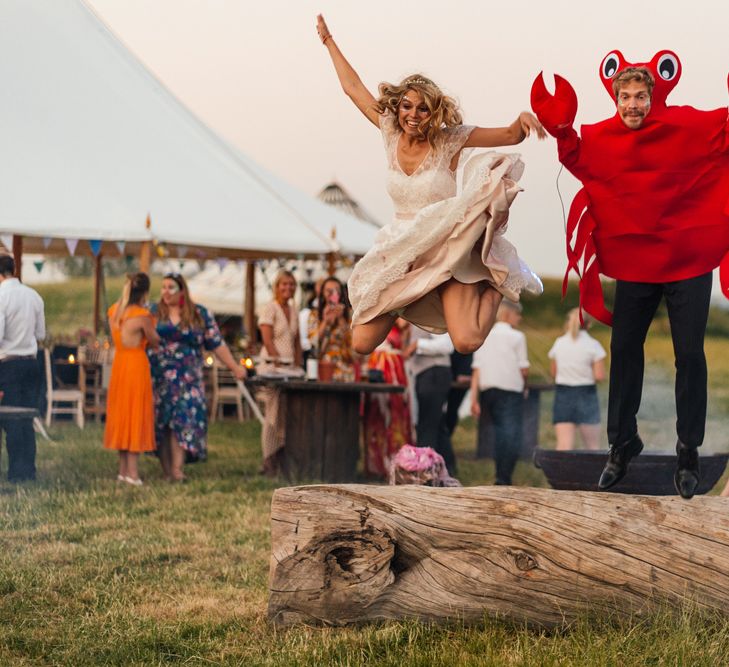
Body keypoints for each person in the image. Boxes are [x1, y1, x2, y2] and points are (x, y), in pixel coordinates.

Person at [532, 56, 729, 499]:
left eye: (640, 96)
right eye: (625, 97)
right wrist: (562, 128)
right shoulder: (602, 136)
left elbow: (724, 137)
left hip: (688, 261)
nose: (633, 104)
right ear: (615, 98)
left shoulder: (686, 125)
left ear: (652, 96)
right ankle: (622, 444)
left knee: (690, 356)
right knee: (622, 348)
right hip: (638, 264)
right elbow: (576, 157)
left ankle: (688, 450)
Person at [316, 14, 544, 358]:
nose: (413, 114)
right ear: (398, 106)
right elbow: (353, 87)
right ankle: (402, 298)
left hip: (443, 245)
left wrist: (523, 120)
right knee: (361, 343)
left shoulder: (449, 140)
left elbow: (510, 134)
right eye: (407, 106)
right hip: (402, 246)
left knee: (466, 342)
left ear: (434, 112)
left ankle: (495, 282)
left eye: (423, 109)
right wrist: (329, 41)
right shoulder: (390, 131)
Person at [148, 273, 245, 482]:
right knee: (162, 423)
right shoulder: (153, 312)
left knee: (183, 420)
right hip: (159, 377)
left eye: (171, 287)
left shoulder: (200, 314)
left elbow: (216, 343)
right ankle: (167, 471)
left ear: (182, 290)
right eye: (163, 287)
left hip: (188, 378)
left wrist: (234, 367)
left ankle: (177, 470)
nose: (165, 291)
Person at [104, 273, 159, 486]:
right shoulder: (143, 315)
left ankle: (122, 470)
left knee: (121, 413)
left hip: (120, 364)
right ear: (145, 292)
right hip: (136, 365)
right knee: (135, 413)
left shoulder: (114, 311)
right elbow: (154, 340)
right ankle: (133, 473)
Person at [470, 301, 529, 485]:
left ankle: (499, 475)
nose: (519, 318)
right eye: (518, 315)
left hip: (488, 392)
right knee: (511, 434)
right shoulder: (517, 337)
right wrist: (525, 386)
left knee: (497, 433)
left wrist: (474, 399)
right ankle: (505, 477)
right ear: (509, 315)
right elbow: (523, 368)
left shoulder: (484, 336)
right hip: (510, 392)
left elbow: (477, 370)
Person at [0, 255, 45, 482]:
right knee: (27, 417)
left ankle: (17, 473)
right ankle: (29, 470)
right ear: (14, 269)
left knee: (11, 418)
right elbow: (41, 334)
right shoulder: (34, 296)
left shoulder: (1, 297)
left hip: (8, 365)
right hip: (31, 363)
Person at [258, 270, 302, 475]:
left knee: (285, 413)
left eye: (292, 285)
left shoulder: (294, 311)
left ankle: (282, 455)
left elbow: (296, 341)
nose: (288, 288)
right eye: (284, 284)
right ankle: (268, 458)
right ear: (277, 286)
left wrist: (298, 364)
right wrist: (278, 361)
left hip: (289, 368)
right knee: (272, 413)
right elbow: (267, 339)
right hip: (272, 366)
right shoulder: (270, 308)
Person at [548, 309, 606, 451]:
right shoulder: (593, 345)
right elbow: (599, 376)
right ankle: (592, 474)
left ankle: (562, 474)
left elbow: (554, 372)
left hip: (563, 394)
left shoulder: (559, 343)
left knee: (564, 446)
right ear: (589, 324)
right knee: (592, 447)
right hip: (586, 394)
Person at [363, 320, 413, 478]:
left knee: (394, 412)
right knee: (380, 412)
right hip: (383, 363)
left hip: (391, 362)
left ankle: (395, 463)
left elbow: (405, 327)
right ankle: (381, 463)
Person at [405, 327, 456, 474]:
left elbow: (447, 345)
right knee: (437, 424)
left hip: (434, 374)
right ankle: (448, 469)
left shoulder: (430, 315)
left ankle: (425, 472)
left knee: (427, 425)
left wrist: (417, 345)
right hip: (428, 374)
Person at [308, 276, 354, 381]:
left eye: (336, 290)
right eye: (328, 291)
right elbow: (313, 345)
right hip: (323, 371)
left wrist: (342, 321)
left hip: (345, 372)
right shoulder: (314, 315)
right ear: (323, 294)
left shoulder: (350, 315)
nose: (332, 294)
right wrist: (325, 322)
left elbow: (355, 347)